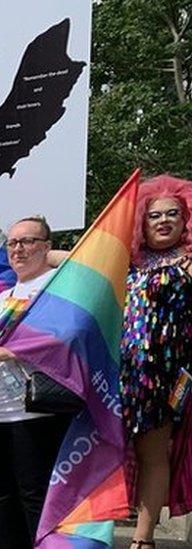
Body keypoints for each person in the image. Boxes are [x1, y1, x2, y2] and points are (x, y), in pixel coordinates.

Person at [0, 217, 72, 549]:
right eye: (12, 242)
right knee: (1, 496)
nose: (18, 249)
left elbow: (63, 335)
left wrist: (12, 351)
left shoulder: (57, 286)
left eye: (28, 241)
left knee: (33, 494)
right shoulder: (3, 296)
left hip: (30, 411)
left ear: (47, 247)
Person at [121, 175, 192, 548]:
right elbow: (72, 258)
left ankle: (143, 539)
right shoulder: (128, 262)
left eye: (173, 214)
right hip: (120, 375)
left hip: (165, 378)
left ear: (185, 221)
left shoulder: (190, 262)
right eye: (154, 216)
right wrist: (32, 246)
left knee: (153, 456)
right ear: (141, 223)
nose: (163, 220)